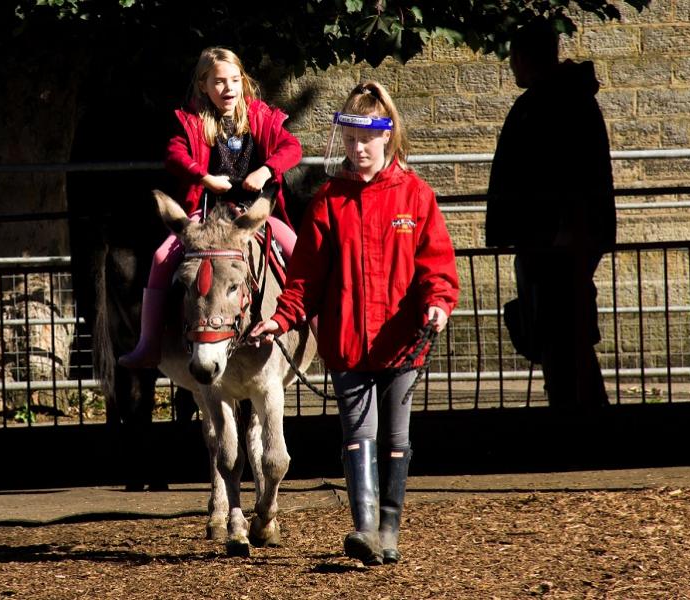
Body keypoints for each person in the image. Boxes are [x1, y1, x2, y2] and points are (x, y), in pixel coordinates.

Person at [250, 81, 459, 566]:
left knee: (396, 439)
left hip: (403, 341)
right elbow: (304, 278)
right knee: (356, 435)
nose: (357, 149)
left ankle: (389, 529)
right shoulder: (329, 201)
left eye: (365, 140)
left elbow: (437, 267)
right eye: (349, 141)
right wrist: (281, 320)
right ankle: (365, 529)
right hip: (347, 343)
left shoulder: (416, 196)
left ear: (387, 137)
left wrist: (439, 304)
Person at [118, 46, 302, 368]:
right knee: (162, 257)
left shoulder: (261, 116)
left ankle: (319, 329)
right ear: (203, 85)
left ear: (242, 82)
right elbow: (175, 155)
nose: (228, 88)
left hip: (255, 215)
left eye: (234, 80)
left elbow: (292, 146)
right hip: (206, 217)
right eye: (218, 82)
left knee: (298, 252)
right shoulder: (190, 122)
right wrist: (203, 177)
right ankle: (149, 344)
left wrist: (266, 170)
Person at [486, 18, 616, 411]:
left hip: (554, 239)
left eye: (514, 58)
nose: (512, 67)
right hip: (555, 237)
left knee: (560, 331)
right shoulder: (563, 100)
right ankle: (578, 410)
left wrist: (559, 230)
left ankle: (576, 414)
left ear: (526, 57)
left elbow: (567, 174)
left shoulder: (552, 103)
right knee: (561, 330)